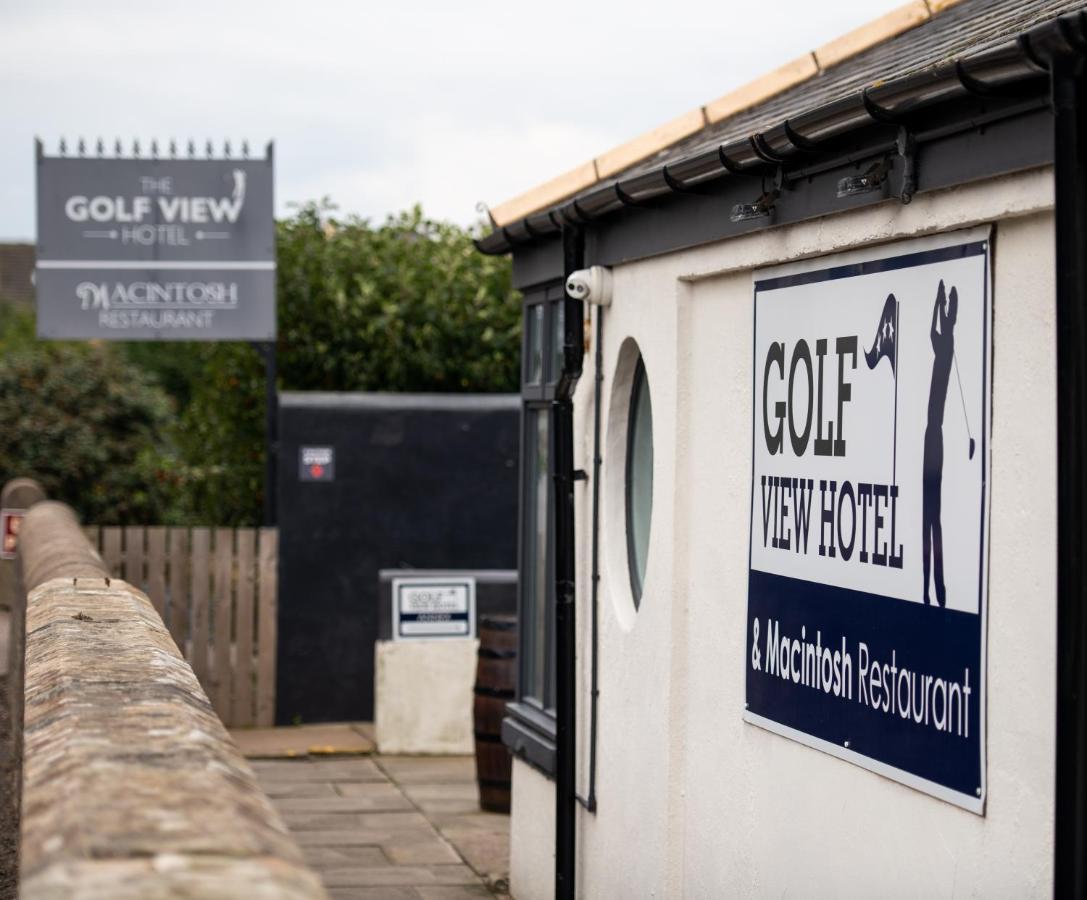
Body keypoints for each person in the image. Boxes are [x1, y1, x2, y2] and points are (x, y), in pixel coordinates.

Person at [922, 280, 957, 607]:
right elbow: (934, 331)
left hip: (935, 435)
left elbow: (934, 332)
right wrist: (938, 303)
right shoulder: (946, 343)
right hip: (932, 435)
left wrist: (937, 301)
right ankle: (929, 590)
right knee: (930, 516)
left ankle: (936, 590)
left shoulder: (946, 345)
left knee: (931, 516)